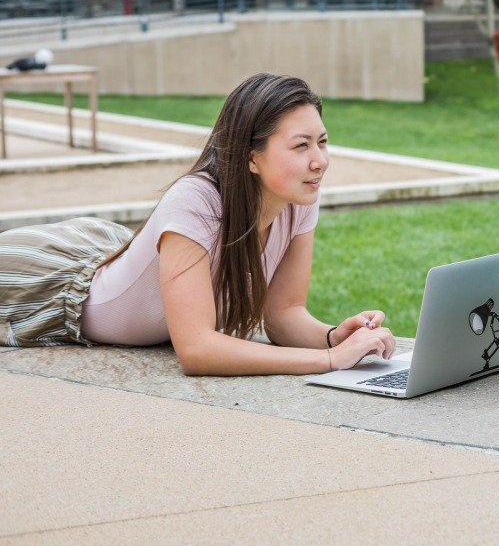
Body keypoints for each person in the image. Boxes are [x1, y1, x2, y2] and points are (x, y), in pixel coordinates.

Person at [0, 73, 396, 375]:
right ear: (250, 158)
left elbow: (284, 313)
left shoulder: (298, 197)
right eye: (300, 145)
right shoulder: (196, 200)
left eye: (322, 142)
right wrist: (328, 360)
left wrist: (333, 336)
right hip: (47, 284)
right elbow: (196, 349)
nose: (320, 161)